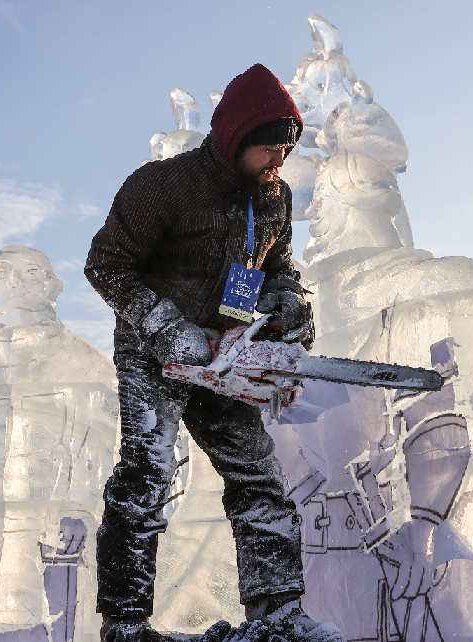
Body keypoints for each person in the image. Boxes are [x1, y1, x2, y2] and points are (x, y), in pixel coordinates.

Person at [84, 63, 341, 642]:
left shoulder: (273, 199)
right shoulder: (162, 185)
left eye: (286, 148)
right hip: (155, 351)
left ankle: (278, 612)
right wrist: (164, 325)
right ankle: (124, 622)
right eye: (269, 148)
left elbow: (275, 267)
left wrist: (284, 303)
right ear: (236, 139)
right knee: (147, 473)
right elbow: (106, 264)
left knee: (256, 475)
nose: (278, 159)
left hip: (225, 355)